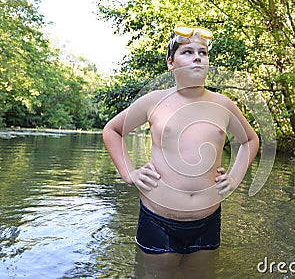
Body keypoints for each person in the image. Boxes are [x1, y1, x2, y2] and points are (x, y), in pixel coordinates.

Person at [103, 25, 259, 277]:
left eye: (203, 52)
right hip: (157, 218)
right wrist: (129, 172)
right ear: (171, 64)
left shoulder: (223, 104)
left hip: (207, 220)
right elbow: (112, 130)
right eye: (187, 52)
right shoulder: (153, 101)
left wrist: (235, 176)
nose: (198, 56)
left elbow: (250, 140)